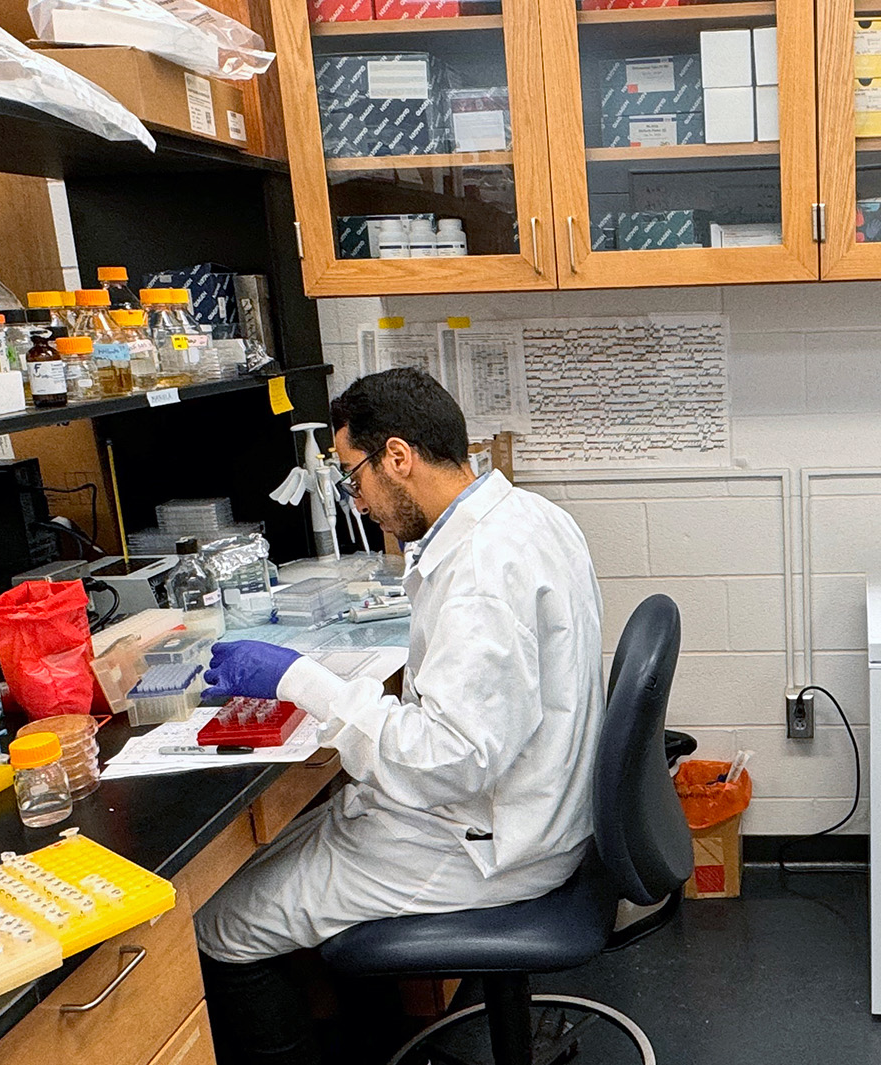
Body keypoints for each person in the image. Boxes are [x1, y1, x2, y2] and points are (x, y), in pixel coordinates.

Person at [193, 368, 605, 1065]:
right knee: (265, 867)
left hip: (488, 844)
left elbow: (448, 758)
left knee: (219, 923)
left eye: (353, 474)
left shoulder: (479, 571)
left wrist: (301, 679)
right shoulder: (529, 515)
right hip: (521, 810)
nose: (357, 499)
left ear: (398, 457)